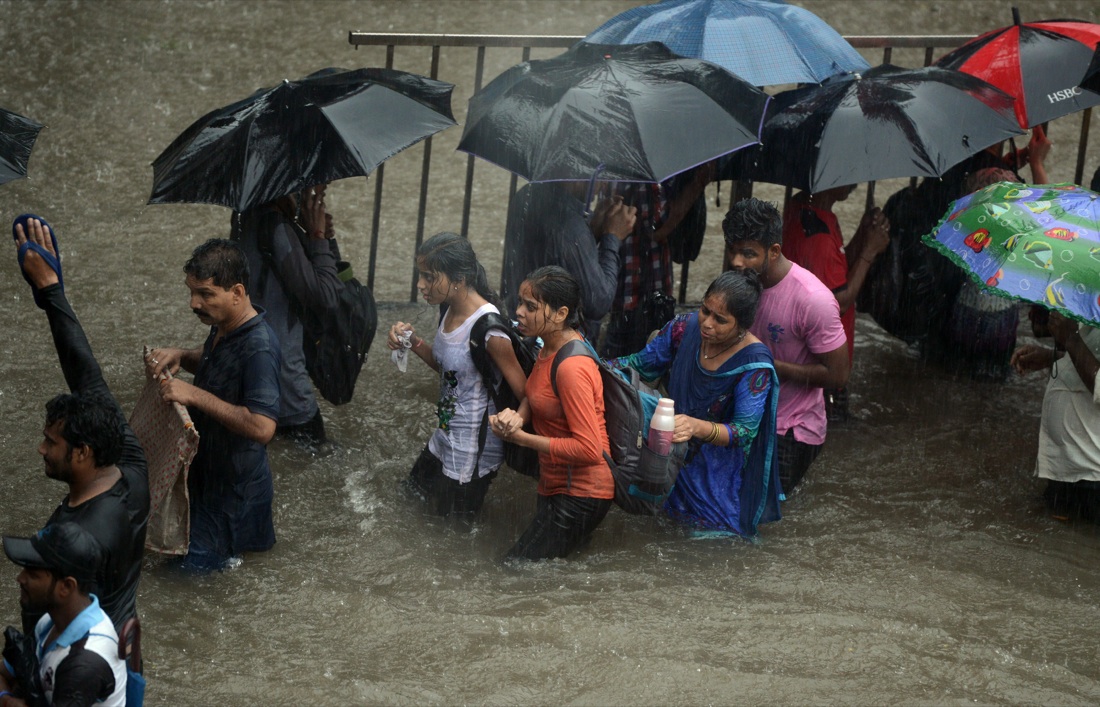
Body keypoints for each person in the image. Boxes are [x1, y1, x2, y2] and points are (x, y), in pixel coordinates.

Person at [11, 216, 149, 634]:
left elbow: (53, 622)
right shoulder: (131, 469)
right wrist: (51, 291)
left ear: (83, 452)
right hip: (119, 654)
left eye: (51, 442)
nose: (41, 449)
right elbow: (86, 374)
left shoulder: (77, 540)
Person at [606, 270, 782, 536]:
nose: (707, 323)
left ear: (742, 326)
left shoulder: (754, 365)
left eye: (720, 319)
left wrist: (695, 427)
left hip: (716, 474)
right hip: (670, 451)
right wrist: (591, 365)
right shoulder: (682, 328)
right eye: (705, 310)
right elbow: (640, 366)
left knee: (712, 540)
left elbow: (743, 432)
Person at [146, 239, 281, 572]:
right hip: (209, 484)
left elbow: (264, 427)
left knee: (175, 585)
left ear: (236, 292)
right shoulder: (225, 327)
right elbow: (220, 366)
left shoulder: (259, 348)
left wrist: (194, 395)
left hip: (231, 501)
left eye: (205, 294)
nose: (194, 303)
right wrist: (184, 355)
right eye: (191, 292)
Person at [386, 232, 528, 520]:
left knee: (451, 530)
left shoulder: (490, 332)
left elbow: (528, 393)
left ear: (459, 280)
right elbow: (450, 372)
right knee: (408, 500)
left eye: (429, 277)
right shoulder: (448, 305)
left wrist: (516, 421)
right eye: (420, 275)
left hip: (471, 453)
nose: (420, 285)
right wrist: (412, 342)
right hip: (445, 433)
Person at [723, 198, 849, 494]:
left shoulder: (812, 299)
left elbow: (839, 375)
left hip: (791, 431)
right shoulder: (741, 283)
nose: (736, 261)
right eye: (732, 250)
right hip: (746, 420)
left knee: (760, 518)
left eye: (748, 253)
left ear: (774, 251)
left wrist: (768, 365)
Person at [489, 266, 615, 560]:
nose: (519, 312)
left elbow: (589, 449)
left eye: (530, 306)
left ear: (560, 314)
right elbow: (538, 394)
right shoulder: (549, 346)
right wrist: (518, 417)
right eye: (520, 303)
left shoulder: (572, 367)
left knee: (512, 572)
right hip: (557, 484)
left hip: (583, 493)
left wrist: (520, 438)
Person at [232, 184, 342, 451]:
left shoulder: (244, 218)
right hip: (286, 389)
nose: (318, 194)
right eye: (309, 188)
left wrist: (314, 237)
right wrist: (317, 237)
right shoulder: (276, 228)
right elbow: (326, 297)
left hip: (251, 376)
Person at [779, 183, 890, 420]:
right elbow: (838, 304)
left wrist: (863, 235)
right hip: (822, 366)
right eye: (848, 176)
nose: (855, 183)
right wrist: (869, 251)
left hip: (807, 355)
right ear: (828, 180)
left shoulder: (807, 211)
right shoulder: (816, 234)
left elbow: (835, 273)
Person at [1, 523, 127, 706]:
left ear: (66, 587)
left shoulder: (85, 662)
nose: (20, 578)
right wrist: (5, 698)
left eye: (32, 573)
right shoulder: (49, 622)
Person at [600, 165, 714, 357]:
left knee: (620, 354)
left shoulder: (616, 166)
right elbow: (659, 227)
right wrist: (696, 184)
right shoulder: (644, 179)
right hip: (641, 287)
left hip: (623, 285)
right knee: (646, 355)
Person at [501, 181, 637, 340]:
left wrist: (592, 230)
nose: (604, 185)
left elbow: (557, 255)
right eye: (599, 177)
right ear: (579, 174)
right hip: (555, 345)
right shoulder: (570, 225)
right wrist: (612, 236)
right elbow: (598, 301)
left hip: (519, 328)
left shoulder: (526, 195)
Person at [1011, 311, 1100, 520]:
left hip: (1092, 477)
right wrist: (1050, 357)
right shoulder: (1092, 305)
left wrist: (1071, 338)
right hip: (1070, 467)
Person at [942, 168, 1026, 381]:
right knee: (996, 375)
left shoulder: (963, 229)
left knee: (958, 373)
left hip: (967, 310)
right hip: (1002, 316)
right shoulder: (1017, 234)